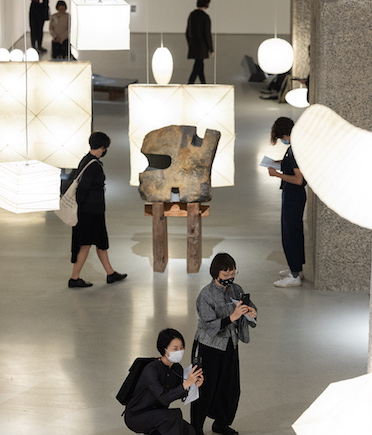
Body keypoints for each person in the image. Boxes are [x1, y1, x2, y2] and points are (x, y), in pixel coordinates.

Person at [191, 253, 257, 435]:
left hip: (230, 345)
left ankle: (222, 422)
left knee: (231, 387)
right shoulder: (205, 294)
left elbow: (251, 308)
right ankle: (196, 428)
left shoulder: (237, 290)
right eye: (225, 274)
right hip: (209, 347)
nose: (230, 278)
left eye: (232, 273)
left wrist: (251, 313)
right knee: (205, 388)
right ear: (215, 273)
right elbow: (208, 324)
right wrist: (232, 317)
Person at [69, 132, 127, 288]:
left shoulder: (86, 160)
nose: (104, 151)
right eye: (104, 148)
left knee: (101, 242)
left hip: (94, 211)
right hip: (90, 212)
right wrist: (81, 208)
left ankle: (110, 273)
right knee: (86, 243)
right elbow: (83, 188)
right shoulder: (93, 165)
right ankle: (74, 278)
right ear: (101, 147)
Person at [125, 328, 204, 435]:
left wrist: (193, 385)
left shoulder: (177, 368)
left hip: (159, 415)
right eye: (175, 348)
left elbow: (178, 394)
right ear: (164, 349)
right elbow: (164, 398)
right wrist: (186, 384)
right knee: (173, 417)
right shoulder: (151, 369)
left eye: (181, 348)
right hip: (137, 415)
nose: (179, 351)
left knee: (189, 430)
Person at [268, 117, 307, 287]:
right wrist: (279, 164)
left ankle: (294, 275)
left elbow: (299, 179)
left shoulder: (294, 151)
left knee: (290, 235)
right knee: (292, 232)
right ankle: (295, 268)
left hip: (294, 196)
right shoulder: (295, 147)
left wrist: (277, 174)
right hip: (291, 195)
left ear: (283, 134)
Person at [186, 0, 214, 84]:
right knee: (198, 65)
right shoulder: (205, 17)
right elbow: (207, 34)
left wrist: (190, 43)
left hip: (193, 44)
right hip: (202, 46)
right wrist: (211, 49)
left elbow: (187, 32)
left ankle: (203, 84)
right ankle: (190, 84)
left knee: (200, 65)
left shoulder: (192, 15)